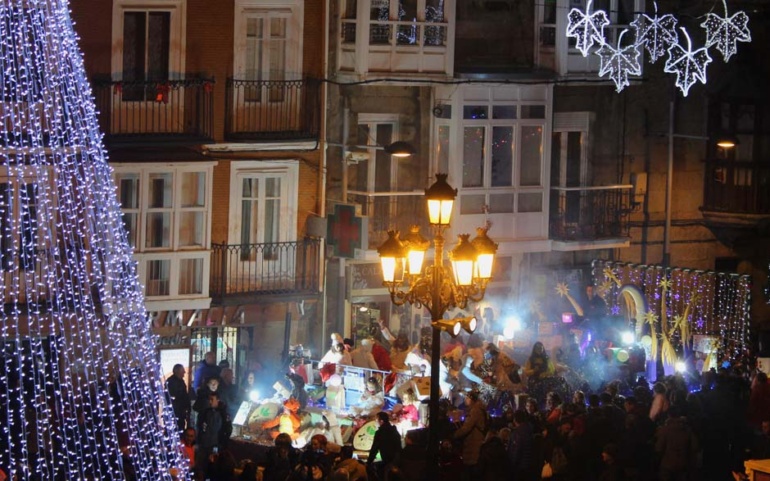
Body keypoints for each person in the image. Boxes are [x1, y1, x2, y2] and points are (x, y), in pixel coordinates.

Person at [452, 391, 487, 481]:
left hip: (473, 445)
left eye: (467, 398)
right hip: (476, 443)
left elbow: (467, 427)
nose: (465, 400)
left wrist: (454, 435)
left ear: (472, 399)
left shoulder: (475, 410)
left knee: (471, 473)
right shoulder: (478, 409)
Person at [196, 391, 232, 477]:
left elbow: (228, 430)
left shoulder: (223, 414)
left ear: (218, 400)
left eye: (212, 399)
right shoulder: (205, 413)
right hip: (204, 445)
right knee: (201, 467)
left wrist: (221, 443)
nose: (210, 401)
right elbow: (200, 426)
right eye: (209, 399)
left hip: (216, 446)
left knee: (213, 468)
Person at [367, 412, 402, 480]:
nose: (375, 422)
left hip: (388, 461)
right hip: (396, 461)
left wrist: (369, 462)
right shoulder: (394, 430)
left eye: (376, 420)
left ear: (381, 421)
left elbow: (374, 449)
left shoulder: (380, 433)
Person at [166, 364, 192, 432]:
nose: (184, 372)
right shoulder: (171, 382)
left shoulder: (181, 381)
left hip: (179, 412)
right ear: (177, 371)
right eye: (182, 370)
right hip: (175, 413)